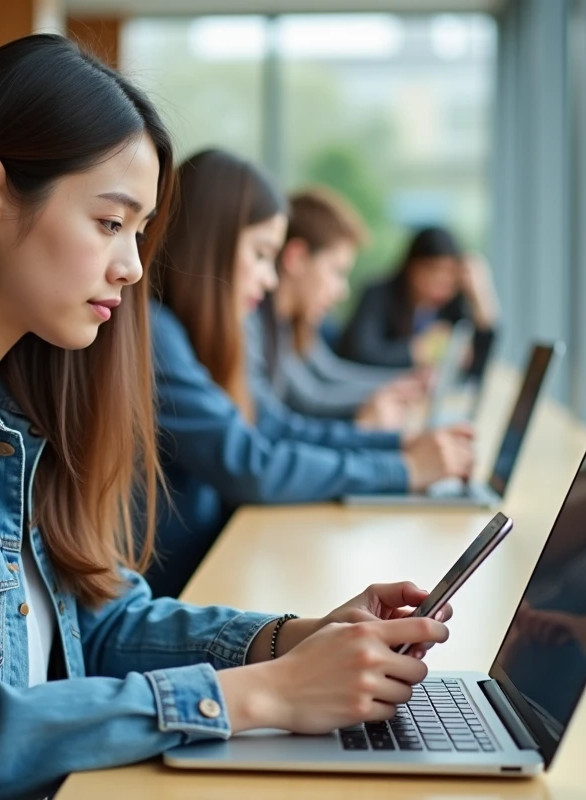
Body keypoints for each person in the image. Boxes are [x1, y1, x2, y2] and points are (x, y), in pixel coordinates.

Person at [0, 36, 452, 800]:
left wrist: (291, 642)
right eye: (109, 222)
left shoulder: (8, 406)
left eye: (139, 232)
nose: (132, 265)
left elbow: (96, 622)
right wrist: (258, 695)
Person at [147, 150, 474, 599]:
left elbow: (274, 425)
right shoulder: (157, 334)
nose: (268, 279)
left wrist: (397, 444)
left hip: (204, 574)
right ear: (213, 245)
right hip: (185, 586)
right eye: (262, 255)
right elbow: (250, 464)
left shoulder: (184, 332)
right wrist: (401, 467)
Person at [250, 186, 427, 428]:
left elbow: (329, 372)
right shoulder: (257, 323)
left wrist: (399, 384)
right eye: (337, 271)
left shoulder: (292, 323)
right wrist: (375, 406)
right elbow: (311, 398)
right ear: (298, 258)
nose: (342, 291)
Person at [337, 226, 499, 377]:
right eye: (433, 271)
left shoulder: (451, 306)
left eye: (450, 276)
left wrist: (481, 296)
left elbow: (478, 368)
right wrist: (418, 351)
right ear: (411, 267)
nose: (441, 284)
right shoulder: (379, 294)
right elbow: (358, 352)